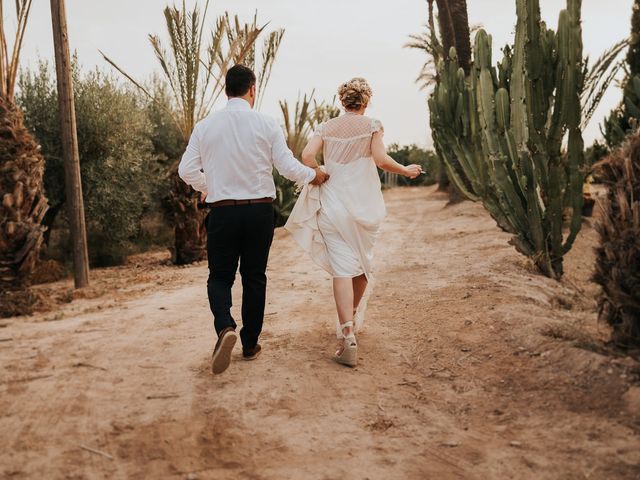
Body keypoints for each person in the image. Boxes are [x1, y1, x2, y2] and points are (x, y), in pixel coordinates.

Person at [178, 64, 329, 375]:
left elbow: (186, 171)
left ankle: (224, 328)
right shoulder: (266, 122)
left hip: (223, 212)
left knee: (220, 277)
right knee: (254, 276)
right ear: (252, 89)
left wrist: (211, 186)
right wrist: (314, 175)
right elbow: (287, 167)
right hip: (259, 211)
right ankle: (249, 343)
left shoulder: (205, 126)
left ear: (226, 90)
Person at [285, 77, 421, 367]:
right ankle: (351, 319)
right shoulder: (372, 125)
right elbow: (381, 160)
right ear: (366, 102)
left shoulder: (327, 127)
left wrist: (319, 171)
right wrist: (406, 171)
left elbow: (307, 155)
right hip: (364, 207)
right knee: (361, 264)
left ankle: (347, 331)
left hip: (333, 204)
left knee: (342, 269)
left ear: (342, 101)